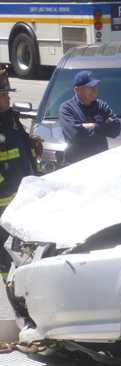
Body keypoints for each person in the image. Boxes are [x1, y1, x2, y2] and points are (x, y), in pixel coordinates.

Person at [0, 69, 42, 271]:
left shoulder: (11, 119)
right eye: (3, 94)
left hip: (22, 196)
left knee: (24, 248)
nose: (8, 98)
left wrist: (32, 145)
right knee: (4, 254)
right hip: (3, 201)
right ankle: (11, 288)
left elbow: (21, 150)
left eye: (8, 93)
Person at [59, 70, 121, 164]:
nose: (95, 89)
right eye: (90, 87)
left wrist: (94, 126)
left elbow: (116, 129)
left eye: (95, 86)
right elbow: (76, 135)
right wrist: (103, 128)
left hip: (101, 163)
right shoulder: (67, 108)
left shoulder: (101, 106)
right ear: (77, 90)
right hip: (76, 165)